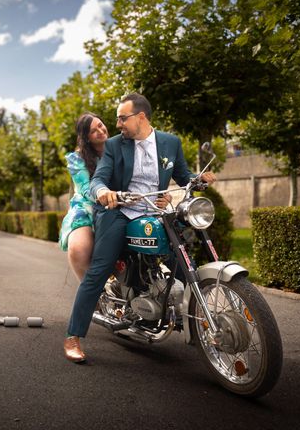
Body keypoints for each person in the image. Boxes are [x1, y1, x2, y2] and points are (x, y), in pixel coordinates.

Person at [63, 92, 217, 363]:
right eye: (118, 119)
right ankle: (73, 336)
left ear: (141, 117)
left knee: (182, 261)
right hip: (120, 210)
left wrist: (199, 179)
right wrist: (103, 192)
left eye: (123, 118)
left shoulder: (170, 142)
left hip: (156, 210)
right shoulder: (114, 145)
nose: (118, 124)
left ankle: (200, 317)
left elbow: (182, 175)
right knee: (99, 268)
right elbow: (99, 178)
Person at [58, 113, 109, 281]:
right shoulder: (76, 158)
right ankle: (93, 298)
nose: (101, 131)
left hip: (119, 203)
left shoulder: (119, 148)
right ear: (86, 137)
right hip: (87, 207)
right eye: (94, 131)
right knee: (78, 249)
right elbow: (86, 188)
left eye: (101, 125)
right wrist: (104, 194)